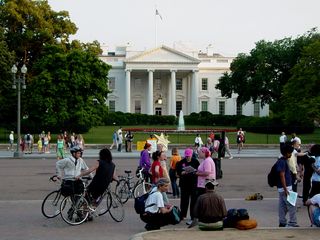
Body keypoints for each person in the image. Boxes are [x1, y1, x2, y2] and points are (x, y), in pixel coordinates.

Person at [275, 143, 299, 227]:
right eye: (290, 153)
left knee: (282, 206)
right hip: (286, 188)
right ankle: (292, 222)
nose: (291, 154)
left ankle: (282, 222)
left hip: (282, 188)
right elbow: (282, 176)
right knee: (292, 205)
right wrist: (286, 189)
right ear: (287, 153)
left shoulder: (281, 160)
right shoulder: (282, 162)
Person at [176, 148, 200, 223]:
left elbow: (198, 170)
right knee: (184, 200)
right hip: (184, 184)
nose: (188, 158)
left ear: (191, 155)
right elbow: (178, 172)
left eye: (189, 156)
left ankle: (193, 216)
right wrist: (182, 173)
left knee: (193, 200)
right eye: (186, 156)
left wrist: (194, 171)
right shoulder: (181, 162)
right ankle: (183, 215)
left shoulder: (195, 161)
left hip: (193, 183)